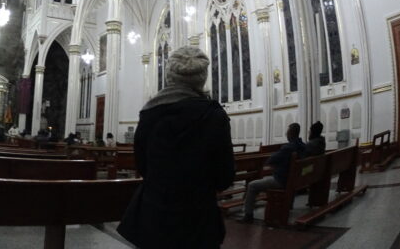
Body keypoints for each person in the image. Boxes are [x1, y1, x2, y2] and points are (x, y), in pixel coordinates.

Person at [118, 46, 234, 248]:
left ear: (169, 77)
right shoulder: (214, 116)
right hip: (198, 219)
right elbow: (224, 177)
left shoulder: (150, 114)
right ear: (202, 78)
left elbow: (143, 166)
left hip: (154, 216)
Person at [239, 123, 306, 223]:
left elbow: (271, 160)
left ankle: (248, 214)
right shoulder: (303, 146)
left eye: (287, 132)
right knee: (262, 181)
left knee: (252, 185)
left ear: (291, 133)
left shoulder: (288, 148)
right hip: (294, 180)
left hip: (281, 181)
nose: (286, 134)